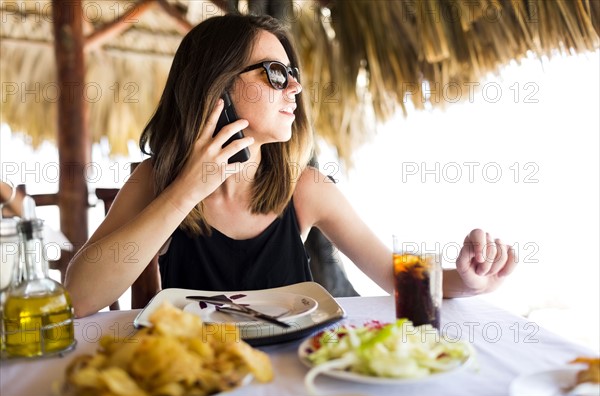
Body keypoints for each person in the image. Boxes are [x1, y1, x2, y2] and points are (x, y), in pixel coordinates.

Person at [65, 14, 517, 317]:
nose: (296, 87)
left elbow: (395, 276)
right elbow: (77, 298)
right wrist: (187, 190)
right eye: (275, 73)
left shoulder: (306, 188)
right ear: (216, 87)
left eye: (292, 74)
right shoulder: (156, 181)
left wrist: (469, 281)